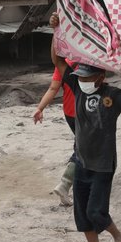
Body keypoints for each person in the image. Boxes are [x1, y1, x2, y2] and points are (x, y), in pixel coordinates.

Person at [49, 12, 121, 242]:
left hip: (103, 164)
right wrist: (56, 31)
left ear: (100, 78)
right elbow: (58, 60)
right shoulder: (75, 83)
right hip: (82, 161)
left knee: (97, 212)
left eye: (87, 77)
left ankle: (120, 237)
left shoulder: (112, 96)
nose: (82, 80)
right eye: (81, 77)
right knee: (82, 215)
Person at [33, 58, 79, 206]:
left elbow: (53, 88)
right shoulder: (90, 57)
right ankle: (65, 184)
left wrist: (40, 108)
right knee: (84, 147)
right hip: (86, 112)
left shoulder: (64, 62)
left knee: (84, 144)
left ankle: (77, 180)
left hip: (70, 112)